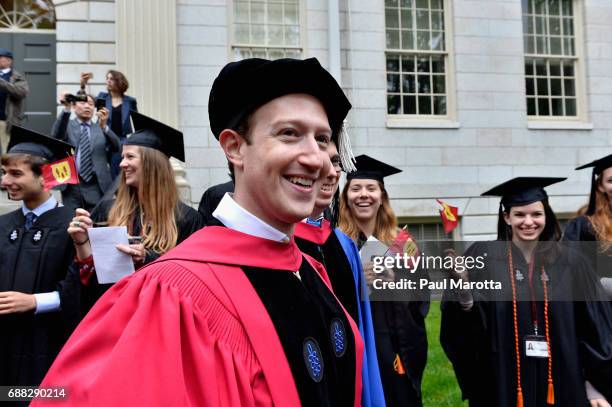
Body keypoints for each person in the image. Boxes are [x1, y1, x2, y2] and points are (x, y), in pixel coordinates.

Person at [35, 57, 364, 406]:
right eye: (289, 133)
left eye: (323, 139)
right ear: (235, 147)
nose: (316, 159)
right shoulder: (170, 294)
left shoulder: (312, 273)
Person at [440, 177, 612, 407]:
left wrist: (594, 386)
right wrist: (465, 296)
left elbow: (594, 327)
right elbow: (462, 330)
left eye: (536, 214)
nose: (528, 222)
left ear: (546, 216)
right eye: (519, 214)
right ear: (506, 217)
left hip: (562, 379)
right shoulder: (483, 256)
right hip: (502, 379)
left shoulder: (572, 262)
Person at [69, 111, 203, 314]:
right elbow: (90, 276)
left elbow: (194, 280)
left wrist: (147, 259)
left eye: (130, 157)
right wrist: (81, 242)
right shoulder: (107, 210)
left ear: (152, 164)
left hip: (158, 318)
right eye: (122, 157)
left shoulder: (187, 219)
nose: (121, 164)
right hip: (111, 314)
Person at [294, 144, 386, 406]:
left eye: (337, 163)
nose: (333, 172)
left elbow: (363, 334)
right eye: (326, 161)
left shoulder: (344, 246)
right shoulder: (280, 241)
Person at [338, 154, 429, 407]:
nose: (363, 194)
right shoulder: (335, 244)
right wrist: (360, 287)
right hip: (358, 345)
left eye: (371, 188)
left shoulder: (404, 244)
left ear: (382, 197)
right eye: (355, 188)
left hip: (395, 345)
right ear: (346, 197)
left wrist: (396, 285)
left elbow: (421, 298)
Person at [0, 127, 79, 388]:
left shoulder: (72, 226)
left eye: (15, 174)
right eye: (4, 173)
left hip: (49, 343)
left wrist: (35, 301)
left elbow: (80, 290)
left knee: (43, 399)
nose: (5, 181)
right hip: (6, 346)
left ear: (45, 177)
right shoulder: (4, 225)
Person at [51, 92, 120, 211]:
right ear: (73, 106)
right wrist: (66, 109)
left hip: (96, 184)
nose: (87, 106)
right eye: (82, 103)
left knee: (97, 222)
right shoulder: (67, 125)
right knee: (72, 221)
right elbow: (56, 135)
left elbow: (117, 147)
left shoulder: (101, 128)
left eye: (91, 104)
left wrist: (104, 127)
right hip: (71, 185)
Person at [564, 154, 612, 298]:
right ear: (600, 186)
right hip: (604, 312)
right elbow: (573, 276)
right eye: (611, 180)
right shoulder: (584, 226)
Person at [95, 70, 138, 178]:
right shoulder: (102, 97)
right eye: (107, 78)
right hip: (103, 138)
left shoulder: (130, 101)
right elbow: (86, 102)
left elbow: (137, 121)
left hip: (120, 141)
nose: (108, 81)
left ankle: (117, 193)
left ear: (119, 81)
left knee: (116, 171)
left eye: (112, 79)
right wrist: (83, 85)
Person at [0, 48, 28, 154]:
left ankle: (4, 171)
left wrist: (3, 83)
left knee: (5, 150)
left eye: (1, 58)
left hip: (5, 121)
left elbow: (21, 92)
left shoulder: (17, 77)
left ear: (9, 61)